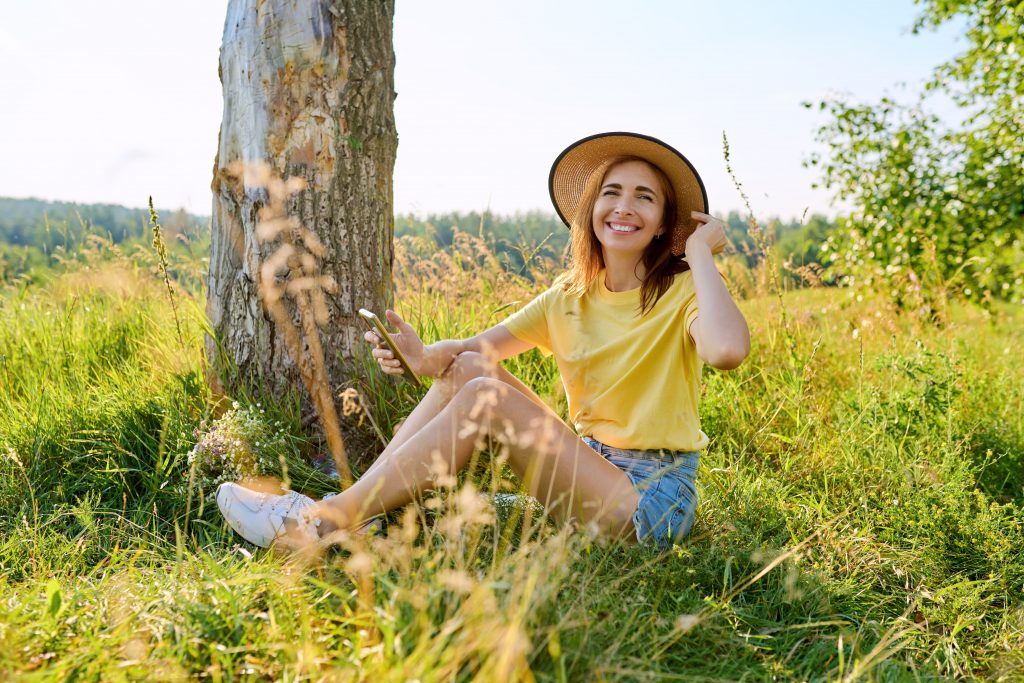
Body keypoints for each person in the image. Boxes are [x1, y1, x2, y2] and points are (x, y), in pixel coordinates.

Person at [217, 132, 750, 550]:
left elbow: (727, 351)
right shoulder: (569, 297)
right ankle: (358, 508)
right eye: (611, 193)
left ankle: (321, 521)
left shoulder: (683, 291)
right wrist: (424, 357)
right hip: (591, 464)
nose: (624, 207)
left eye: (644, 198)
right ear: (591, 210)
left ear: (661, 223)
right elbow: (474, 350)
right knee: (469, 372)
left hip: (650, 499)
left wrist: (700, 253)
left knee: (487, 398)